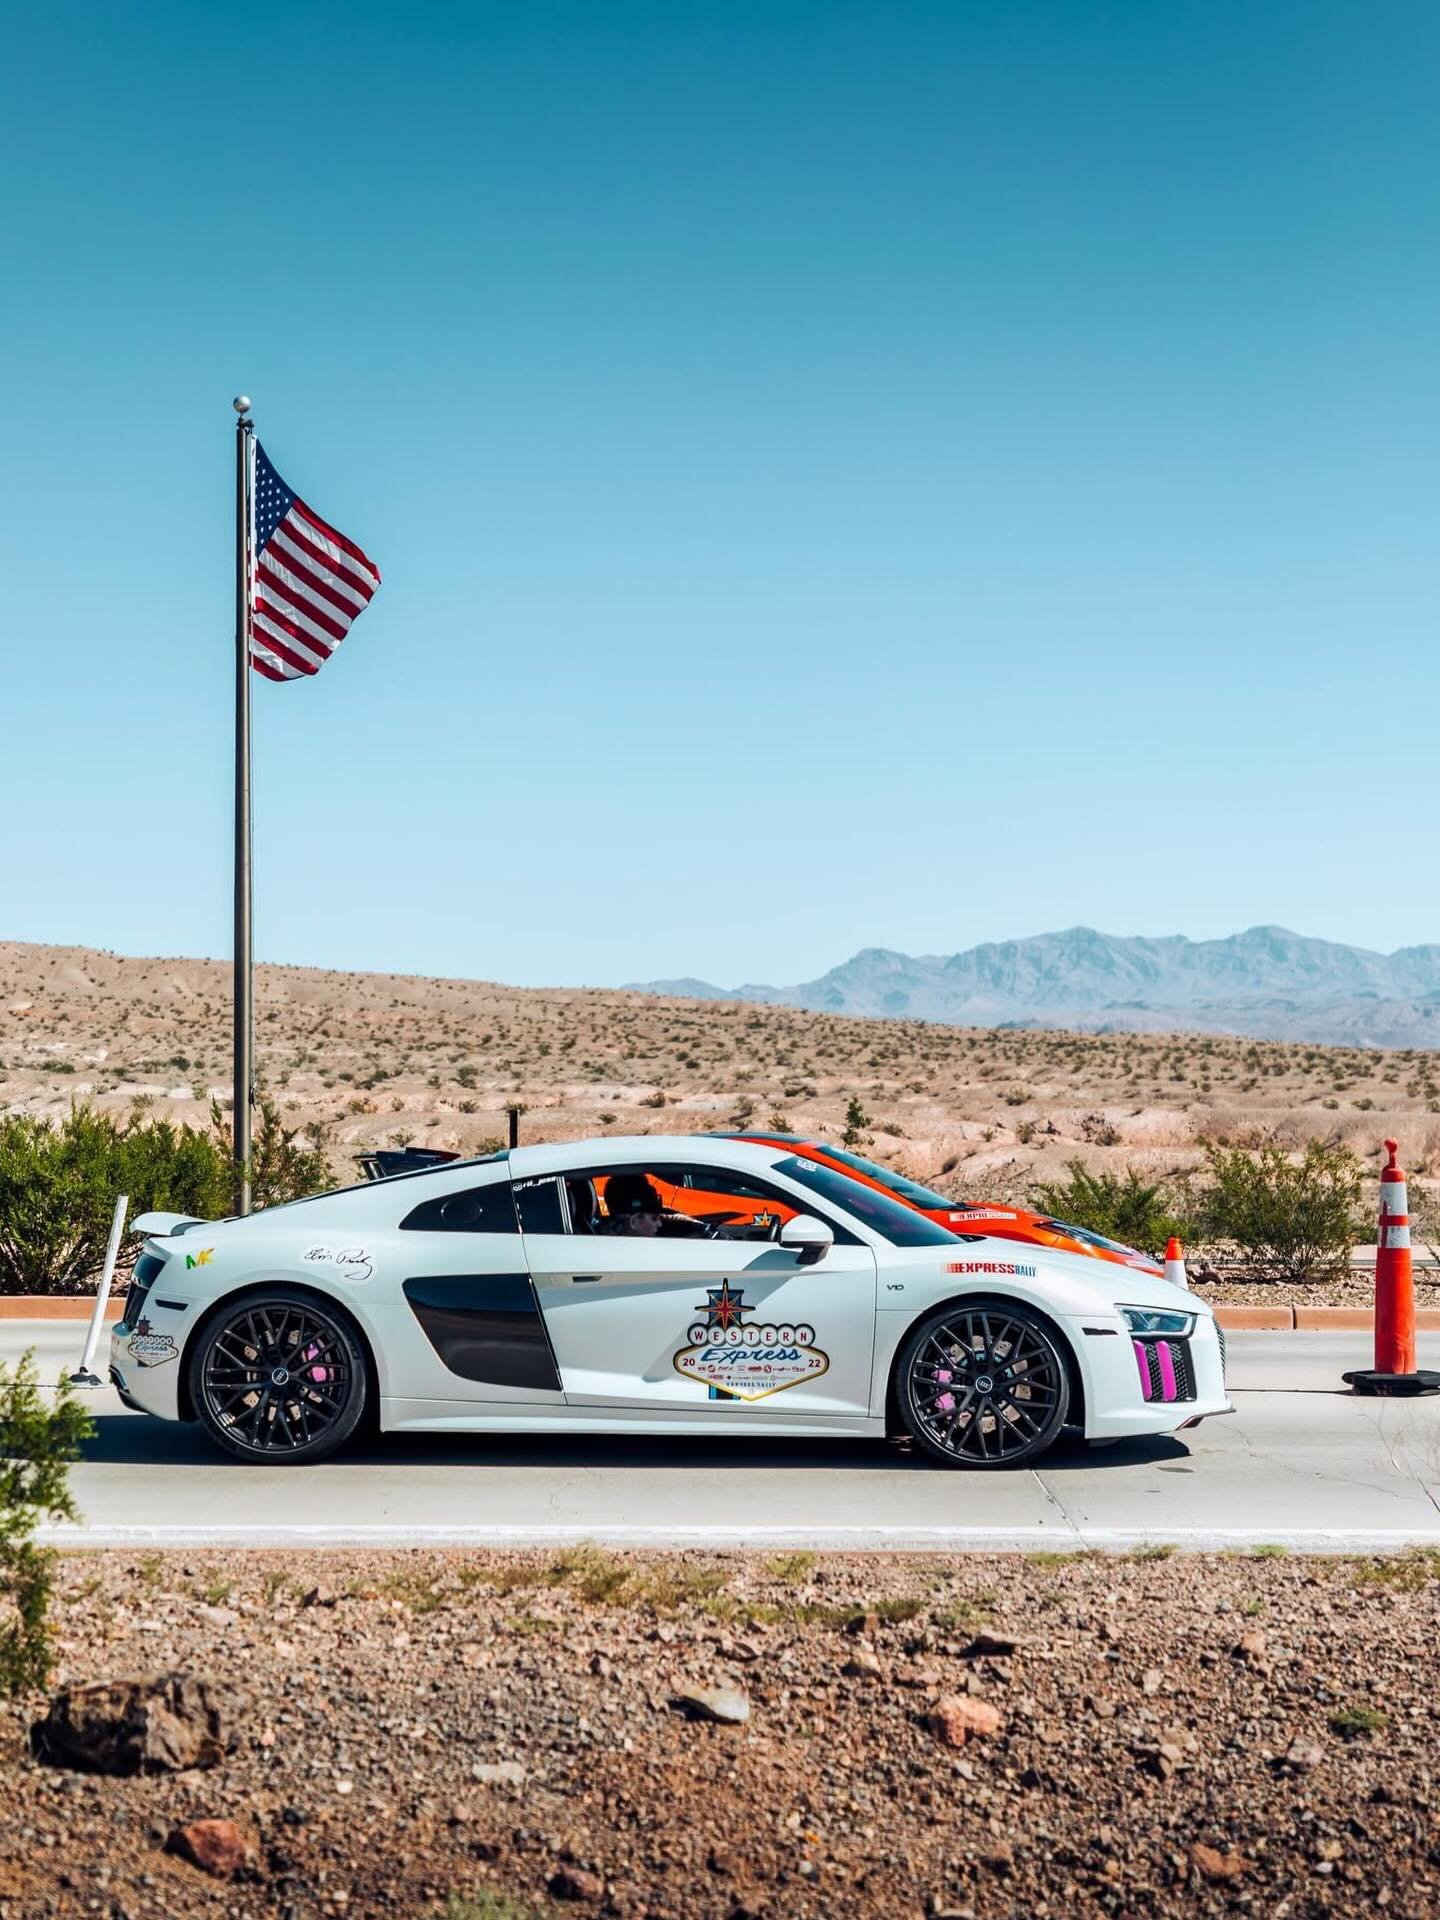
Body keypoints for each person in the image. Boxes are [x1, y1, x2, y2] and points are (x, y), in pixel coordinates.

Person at [598, 1173, 705, 1237]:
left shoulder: (613, 1238)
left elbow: (668, 1217)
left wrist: (698, 1226)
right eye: (654, 1219)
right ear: (634, 1221)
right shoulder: (630, 1254)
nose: (660, 1224)